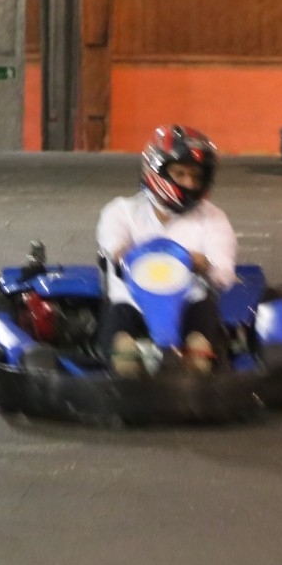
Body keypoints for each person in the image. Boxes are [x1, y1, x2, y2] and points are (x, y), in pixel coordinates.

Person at [96, 125, 237, 377]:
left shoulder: (213, 218)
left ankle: (199, 364)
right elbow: (113, 245)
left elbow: (224, 273)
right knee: (119, 334)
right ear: (158, 171)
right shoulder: (121, 211)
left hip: (189, 303)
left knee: (204, 316)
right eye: (180, 173)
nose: (189, 182)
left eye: (195, 176)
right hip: (131, 301)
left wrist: (205, 263)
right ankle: (125, 367)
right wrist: (123, 252)